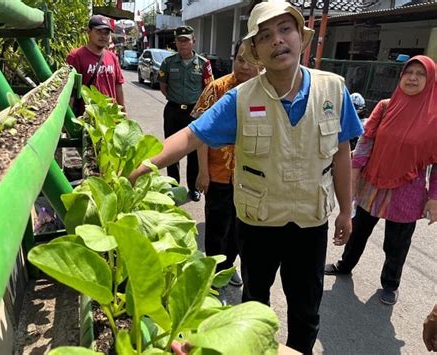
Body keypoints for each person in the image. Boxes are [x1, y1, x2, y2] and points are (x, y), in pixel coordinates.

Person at [129, 1, 363, 353]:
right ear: (255, 50)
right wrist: (144, 165)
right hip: (258, 222)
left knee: (306, 311)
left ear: (302, 37)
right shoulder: (240, 99)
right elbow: (192, 136)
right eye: (265, 36)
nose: (277, 41)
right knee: (255, 304)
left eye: (286, 30)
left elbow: (342, 152)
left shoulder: (333, 90)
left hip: (310, 222)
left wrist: (346, 211)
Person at [325, 55, 437, 306]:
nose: (413, 78)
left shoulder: (435, 119)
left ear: (430, 82)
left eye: (421, 74)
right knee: (359, 229)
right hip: (373, 181)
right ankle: (345, 265)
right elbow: (365, 142)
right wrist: (353, 174)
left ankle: (390, 284)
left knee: (397, 242)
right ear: (401, 76)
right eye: (409, 73)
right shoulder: (386, 106)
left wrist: (434, 198)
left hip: (408, 188)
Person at [191, 40, 260, 293]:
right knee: (217, 228)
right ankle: (212, 273)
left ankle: (228, 268)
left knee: (240, 229)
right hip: (218, 174)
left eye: (252, 61)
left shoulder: (265, 93)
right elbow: (200, 135)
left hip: (251, 178)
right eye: (240, 59)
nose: (245, 66)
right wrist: (203, 172)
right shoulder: (216, 89)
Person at [158, 26, 214, 202]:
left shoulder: (204, 64)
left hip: (194, 112)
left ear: (193, 41)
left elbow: (208, 89)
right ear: (175, 42)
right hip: (173, 111)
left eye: (186, 40)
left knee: (194, 153)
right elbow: (163, 86)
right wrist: (176, 100)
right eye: (180, 40)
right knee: (171, 152)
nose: (183, 43)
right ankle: (173, 188)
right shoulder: (168, 63)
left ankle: (194, 188)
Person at [67, 15, 126, 115]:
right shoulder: (75, 56)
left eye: (106, 33)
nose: (103, 36)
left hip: (110, 118)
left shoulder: (112, 57)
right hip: (87, 119)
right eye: (98, 31)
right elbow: (69, 92)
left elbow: (118, 86)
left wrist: (123, 114)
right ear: (89, 32)